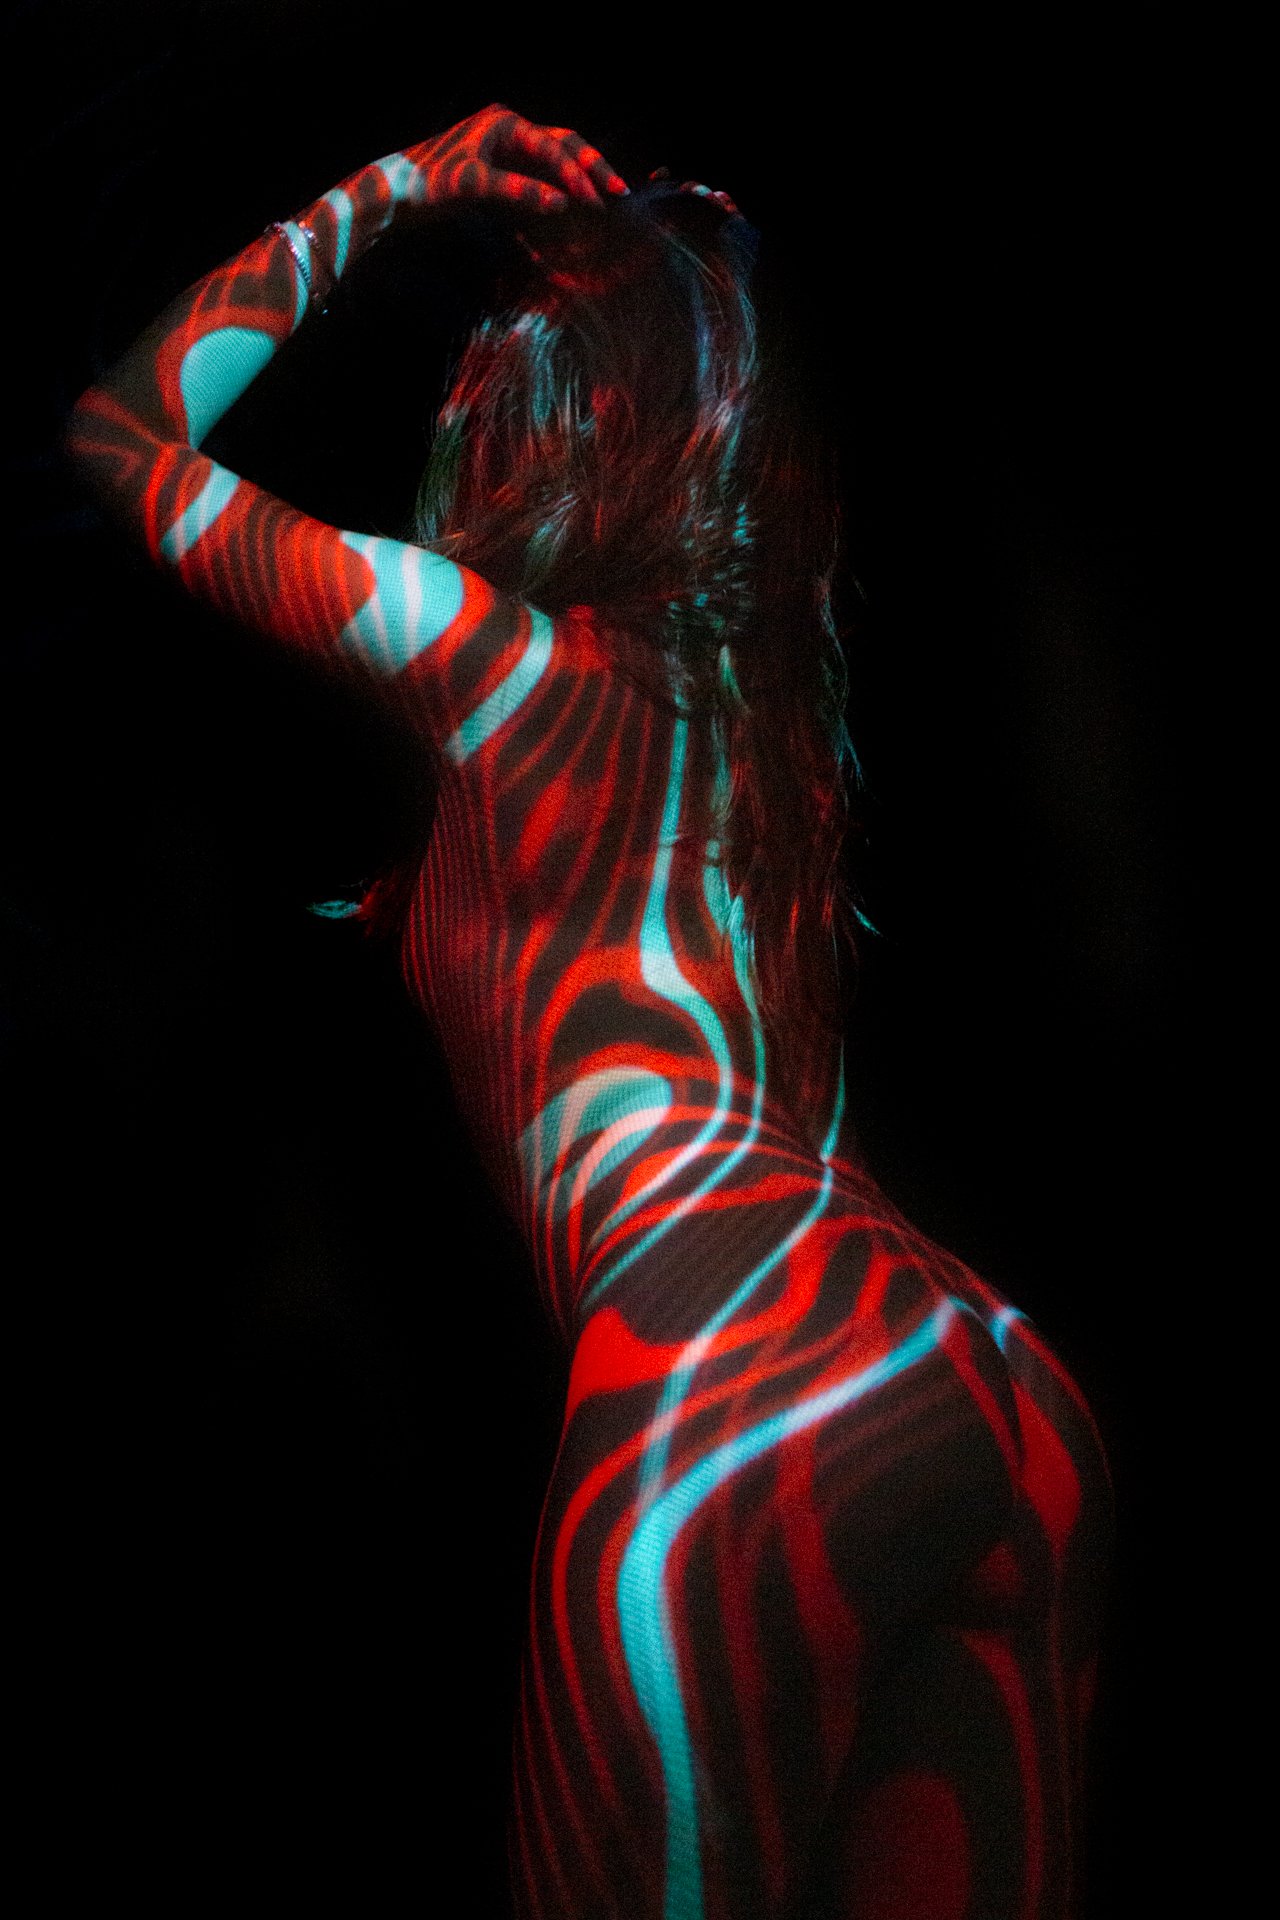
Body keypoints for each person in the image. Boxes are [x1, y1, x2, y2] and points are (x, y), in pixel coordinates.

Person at [64, 103, 1115, 1920]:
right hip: (986, 1369)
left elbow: (121, 437)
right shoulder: (778, 761)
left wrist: (392, 190)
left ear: (536, 416)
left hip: (732, 1360)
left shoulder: (491, 663)